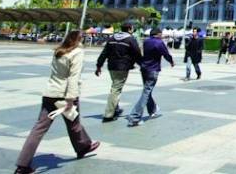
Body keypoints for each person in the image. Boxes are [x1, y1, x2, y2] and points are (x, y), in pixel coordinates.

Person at [15, 30, 99, 174]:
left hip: (50, 93)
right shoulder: (77, 52)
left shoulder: (59, 51)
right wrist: (71, 98)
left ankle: (22, 164)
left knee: (40, 128)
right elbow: (73, 77)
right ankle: (83, 146)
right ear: (79, 40)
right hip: (64, 93)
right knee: (73, 122)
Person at [94, 21, 142, 122]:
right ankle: (108, 114)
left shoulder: (112, 38)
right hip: (123, 67)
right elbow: (136, 53)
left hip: (111, 66)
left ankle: (115, 108)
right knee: (116, 89)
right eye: (132, 28)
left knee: (115, 86)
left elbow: (104, 53)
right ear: (130, 29)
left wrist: (99, 65)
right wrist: (142, 64)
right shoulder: (130, 39)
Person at [127, 28, 174, 127]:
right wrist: (171, 61)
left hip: (144, 68)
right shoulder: (159, 42)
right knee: (146, 92)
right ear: (158, 34)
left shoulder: (146, 41)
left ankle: (152, 110)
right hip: (153, 69)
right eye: (161, 34)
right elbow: (165, 54)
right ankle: (134, 117)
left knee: (147, 91)